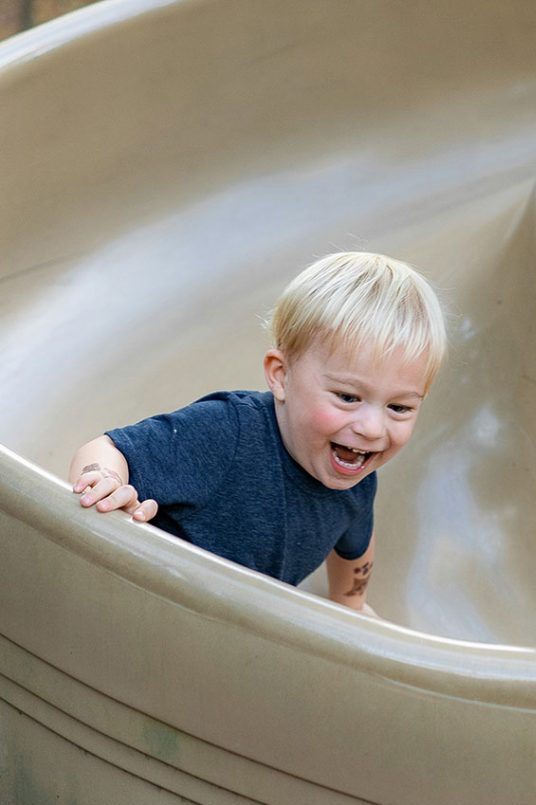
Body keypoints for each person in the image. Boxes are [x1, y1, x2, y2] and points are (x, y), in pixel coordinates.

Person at [68, 251, 446, 615]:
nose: (372, 428)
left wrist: (351, 606)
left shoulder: (357, 476)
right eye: (348, 397)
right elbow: (106, 449)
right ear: (281, 376)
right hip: (147, 604)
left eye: (399, 407)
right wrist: (101, 479)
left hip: (235, 629)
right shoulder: (227, 432)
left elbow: (355, 546)